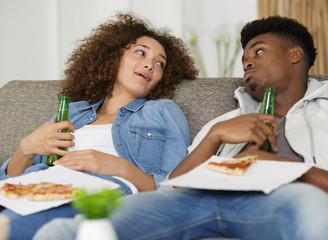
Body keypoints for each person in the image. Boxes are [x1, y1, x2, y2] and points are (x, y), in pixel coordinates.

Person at [34, 16, 328, 240]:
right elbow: (171, 186)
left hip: (275, 202)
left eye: (258, 51)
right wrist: (216, 136)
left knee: (317, 208)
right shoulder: (226, 121)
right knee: (63, 230)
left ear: (295, 54)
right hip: (196, 201)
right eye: (244, 59)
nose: (247, 62)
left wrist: (292, 171)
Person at [0, 13, 198, 239]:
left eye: (160, 63)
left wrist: (117, 166)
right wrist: (25, 149)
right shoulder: (73, 112)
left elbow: (173, 189)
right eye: (141, 52)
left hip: (101, 193)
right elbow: (14, 183)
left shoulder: (162, 111)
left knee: (14, 225)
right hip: (43, 183)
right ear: (114, 56)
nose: (150, 65)